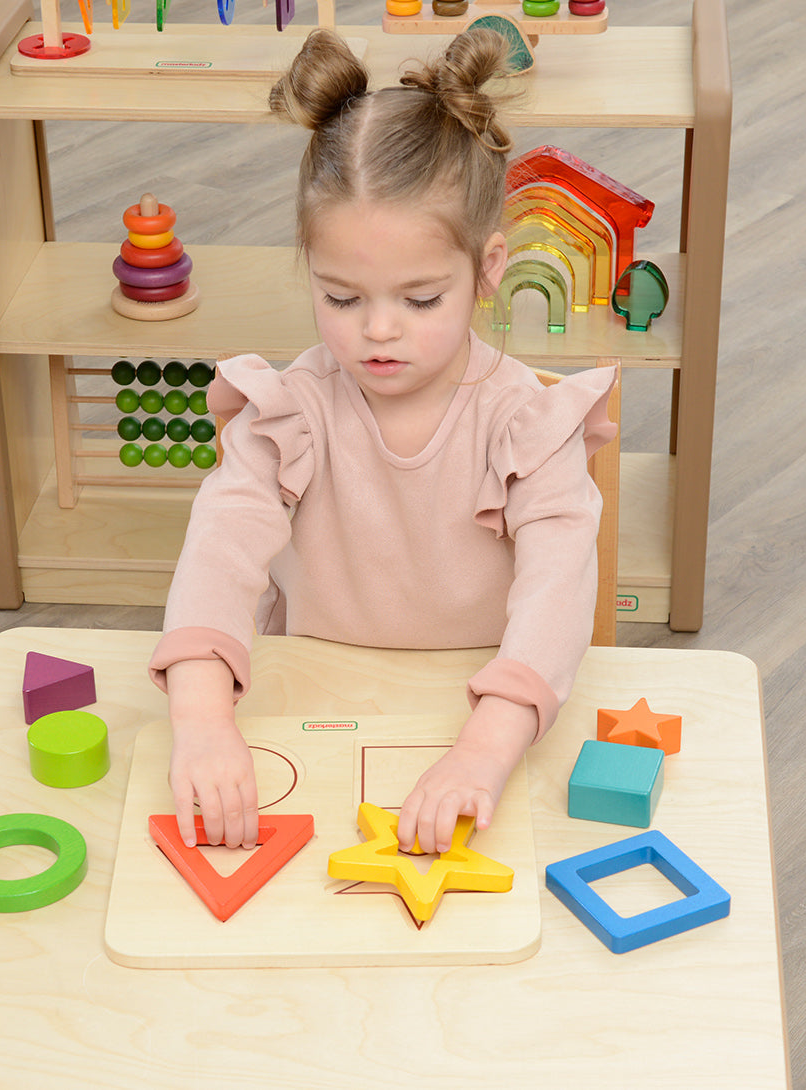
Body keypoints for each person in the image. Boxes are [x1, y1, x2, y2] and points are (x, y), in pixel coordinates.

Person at [148, 27, 616, 858]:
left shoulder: (528, 425)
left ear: (489, 267)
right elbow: (218, 552)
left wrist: (485, 748)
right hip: (312, 707)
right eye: (341, 297)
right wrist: (201, 718)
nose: (377, 332)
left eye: (420, 299)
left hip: (479, 714)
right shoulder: (288, 411)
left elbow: (557, 597)